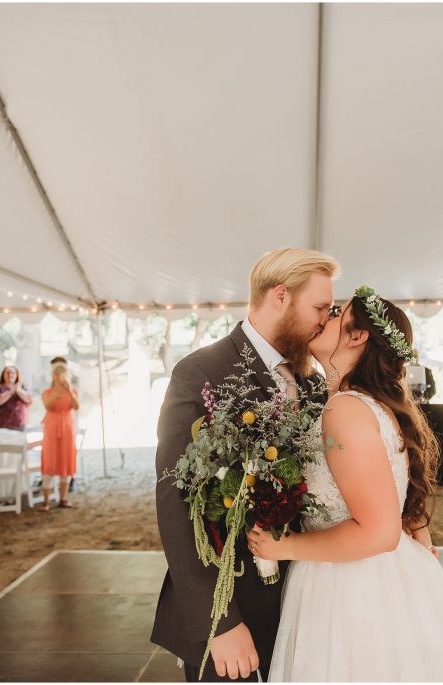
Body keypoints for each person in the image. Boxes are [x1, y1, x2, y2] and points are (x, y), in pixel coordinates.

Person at [247, 286, 443, 681]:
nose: (324, 318)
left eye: (336, 314)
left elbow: (378, 532)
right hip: (380, 578)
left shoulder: (346, 410)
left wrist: (284, 546)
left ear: (357, 336)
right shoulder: (363, 405)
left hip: (351, 589)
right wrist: (418, 529)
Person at [152, 247, 340, 682]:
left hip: (304, 603)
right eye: (320, 308)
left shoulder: (313, 381)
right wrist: (218, 621)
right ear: (280, 296)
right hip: (233, 604)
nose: (325, 320)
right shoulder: (201, 371)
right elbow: (175, 502)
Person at [39, 364, 79, 511]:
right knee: (50, 461)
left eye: (61, 374)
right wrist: (56, 393)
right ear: (53, 376)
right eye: (56, 374)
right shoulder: (47, 392)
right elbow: (48, 406)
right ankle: (46, 501)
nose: (59, 377)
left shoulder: (72, 391)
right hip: (51, 429)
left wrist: (69, 391)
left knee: (65, 462)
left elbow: (76, 406)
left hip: (67, 429)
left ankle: (63, 498)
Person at [0, 366, 32, 430]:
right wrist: (11, 391)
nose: (10, 375)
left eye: (12, 373)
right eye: (7, 373)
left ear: (16, 375)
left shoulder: (23, 387)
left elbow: (29, 400)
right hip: (2, 424)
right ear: (3, 375)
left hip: (20, 424)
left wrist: (18, 390)